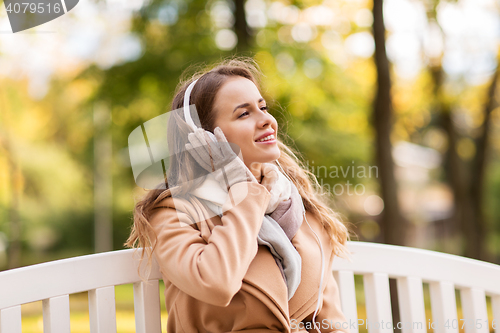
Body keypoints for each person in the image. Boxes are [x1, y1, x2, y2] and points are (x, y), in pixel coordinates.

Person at [125, 56, 352, 333]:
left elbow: (330, 322)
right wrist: (242, 193)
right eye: (244, 114)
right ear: (204, 138)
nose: (266, 120)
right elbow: (217, 283)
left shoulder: (298, 206)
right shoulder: (174, 213)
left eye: (263, 107)